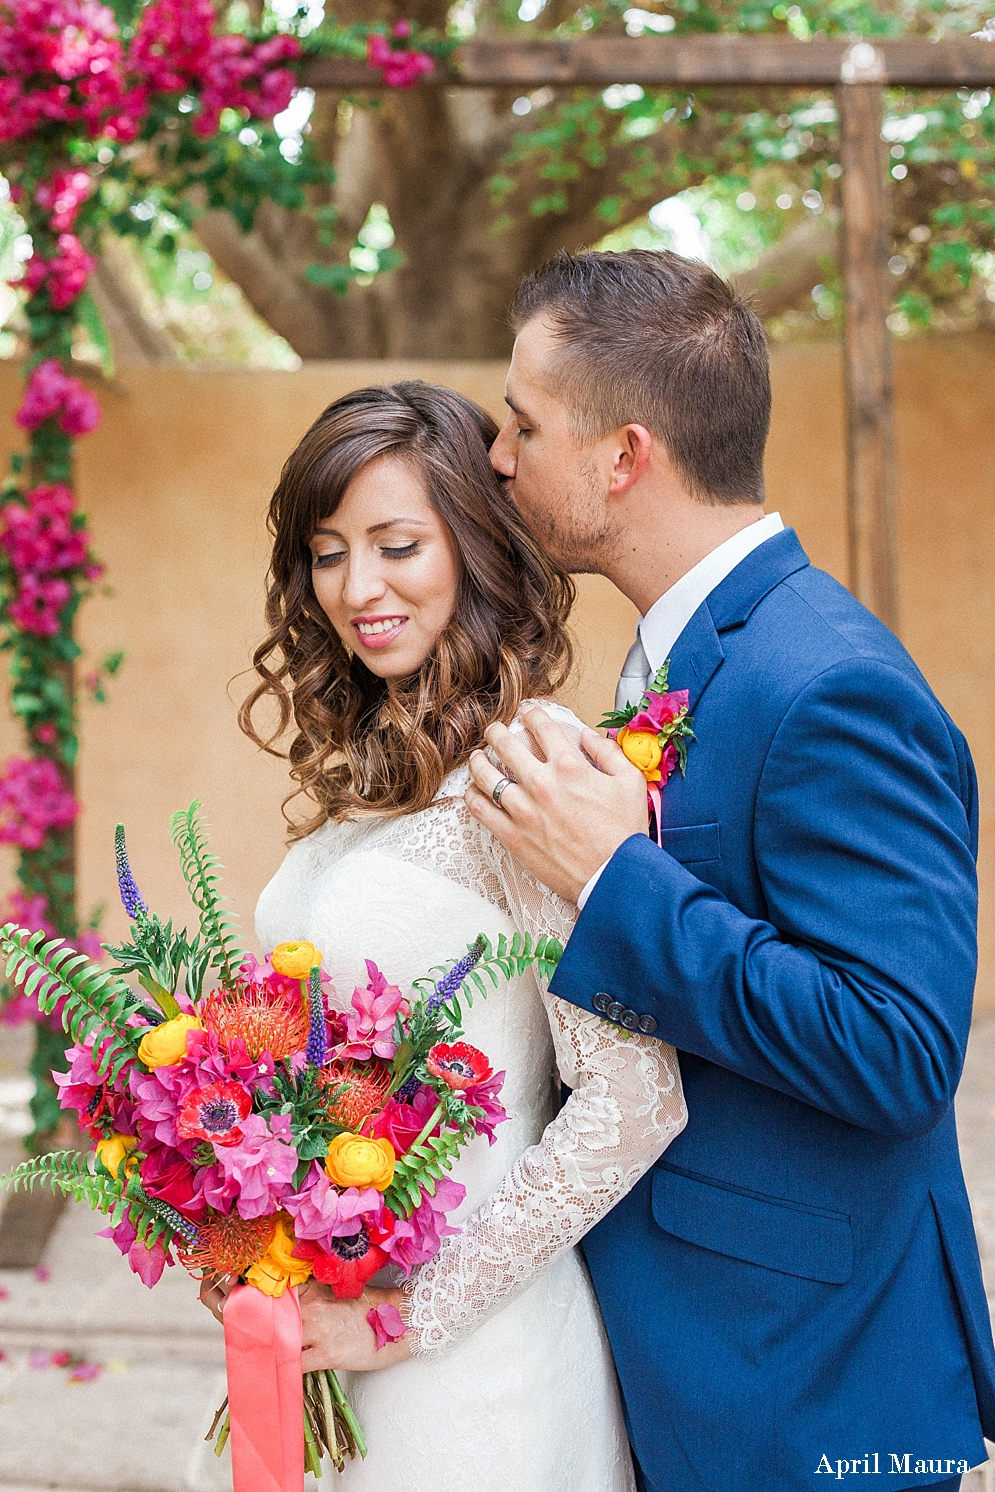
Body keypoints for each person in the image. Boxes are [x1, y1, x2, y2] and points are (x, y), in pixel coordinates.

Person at [464, 248, 995, 1492]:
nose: (496, 453)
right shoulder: (683, 656)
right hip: (691, 1355)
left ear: (623, 456)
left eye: (522, 423)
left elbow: (897, 1049)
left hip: (801, 1382)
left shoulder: (829, 683)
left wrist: (614, 879)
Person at [232, 381, 687, 1491]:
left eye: (396, 545)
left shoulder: (536, 771)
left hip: (479, 1375)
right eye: (328, 553)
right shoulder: (374, 773)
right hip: (334, 1331)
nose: (356, 587)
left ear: (473, 551)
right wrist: (240, 1227)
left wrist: (406, 1319)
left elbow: (634, 1101)